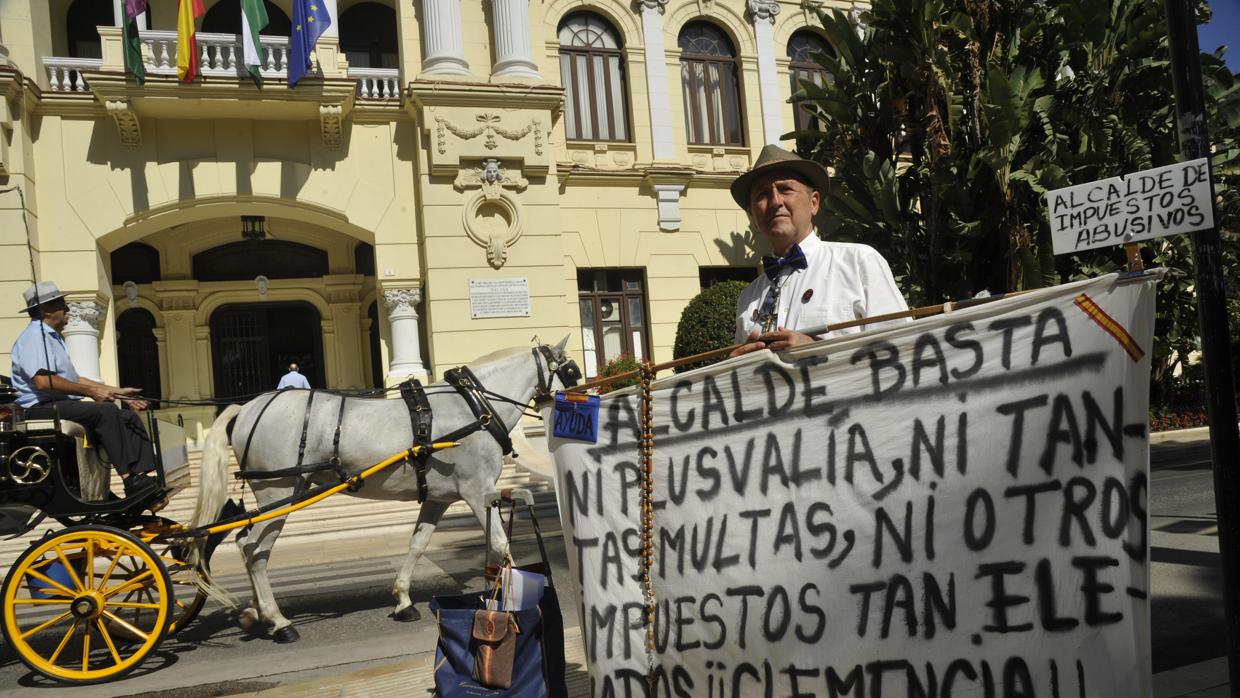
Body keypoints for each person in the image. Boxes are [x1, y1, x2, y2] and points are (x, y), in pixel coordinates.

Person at [729, 145, 908, 357]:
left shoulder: (858, 262)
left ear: (814, 203)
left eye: (785, 189)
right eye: (762, 194)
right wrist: (733, 364)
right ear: (752, 216)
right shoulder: (748, 297)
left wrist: (819, 352)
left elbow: (902, 347)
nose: (775, 201)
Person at [10, 281, 159, 497]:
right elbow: (43, 382)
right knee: (106, 412)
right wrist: (92, 392)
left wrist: (116, 391)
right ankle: (129, 480)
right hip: (37, 408)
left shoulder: (51, 337)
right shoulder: (35, 338)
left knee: (128, 417)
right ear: (46, 310)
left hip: (56, 404)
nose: (67, 309)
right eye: (62, 304)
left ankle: (142, 475)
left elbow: (73, 379)